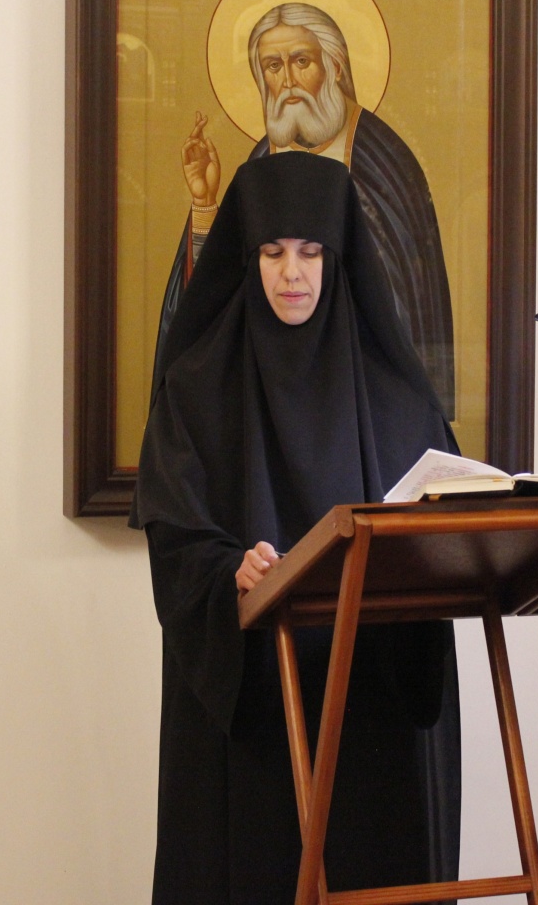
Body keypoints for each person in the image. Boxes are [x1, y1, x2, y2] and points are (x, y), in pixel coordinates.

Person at [131, 153, 461, 904]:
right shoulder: (195, 386)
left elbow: (436, 519)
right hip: (249, 700)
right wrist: (229, 572)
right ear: (247, 257)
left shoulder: (399, 396)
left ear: (337, 258)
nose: (292, 273)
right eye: (273, 252)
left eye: (311, 252)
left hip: (370, 698)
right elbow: (173, 530)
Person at [163, 1, 455, 418]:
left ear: (334, 66)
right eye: (273, 66)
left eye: (301, 61)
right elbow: (216, 298)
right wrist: (206, 206)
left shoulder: (383, 159)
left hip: (354, 379)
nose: (287, 81)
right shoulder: (260, 161)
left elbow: (400, 300)